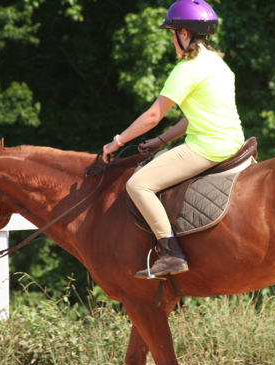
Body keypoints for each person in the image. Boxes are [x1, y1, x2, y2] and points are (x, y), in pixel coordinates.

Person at [102, 0, 244, 280]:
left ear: (184, 33)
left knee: (138, 184)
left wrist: (116, 142)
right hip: (235, 144)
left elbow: (153, 115)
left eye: (172, 33)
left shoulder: (187, 69)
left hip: (207, 147)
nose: (171, 40)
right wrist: (162, 140)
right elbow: (193, 117)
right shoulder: (219, 64)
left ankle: (171, 253)